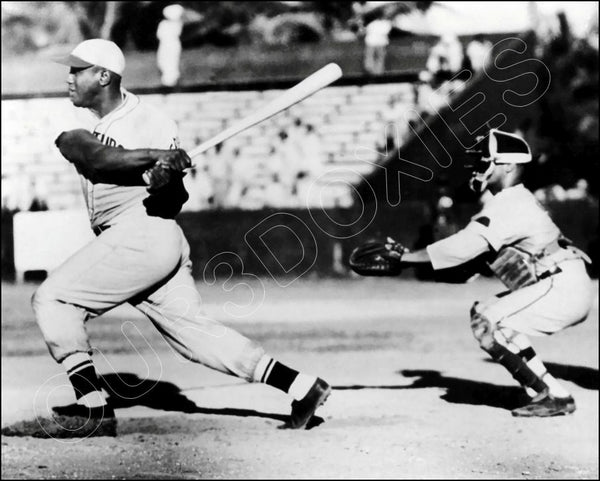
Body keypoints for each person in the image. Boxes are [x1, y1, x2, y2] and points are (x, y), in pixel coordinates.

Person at [2, 39, 330, 438]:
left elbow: (173, 197)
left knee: (53, 299)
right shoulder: (86, 133)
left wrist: (166, 179)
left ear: (103, 76)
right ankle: (300, 386)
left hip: (142, 233)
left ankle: (93, 409)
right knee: (193, 335)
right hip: (145, 241)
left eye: (77, 70)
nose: (69, 78)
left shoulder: (149, 119)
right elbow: (94, 157)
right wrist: (153, 158)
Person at [350, 129, 593, 417]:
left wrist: (404, 258)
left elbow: (462, 248)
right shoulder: (507, 202)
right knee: (485, 312)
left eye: (486, 159)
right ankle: (547, 392)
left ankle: (552, 396)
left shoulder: (510, 204)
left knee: (491, 323)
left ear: (508, 165)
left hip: (561, 285)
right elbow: (466, 268)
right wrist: (408, 265)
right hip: (560, 282)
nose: (479, 166)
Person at [156, 4, 184, 87]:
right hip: (165, 45)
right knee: (163, 61)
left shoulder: (175, 24)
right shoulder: (165, 23)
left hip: (171, 45)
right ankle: (168, 80)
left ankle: (171, 81)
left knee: (171, 62)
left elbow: (160, 35)